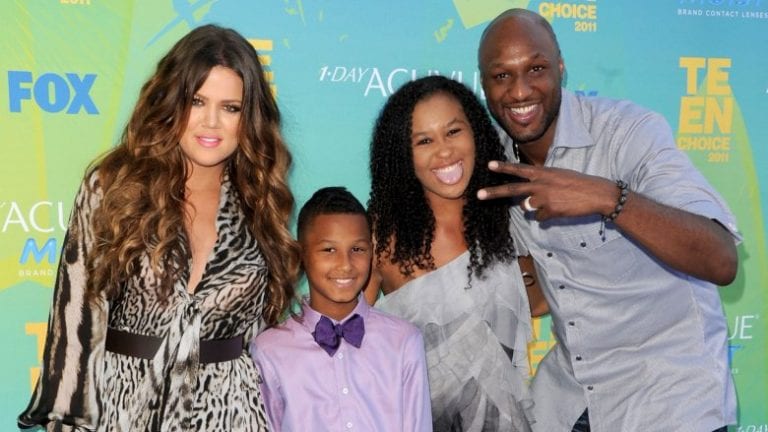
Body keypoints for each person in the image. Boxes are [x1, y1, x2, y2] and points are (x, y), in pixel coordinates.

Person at [18, 24, 299, 431]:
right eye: (197, 101)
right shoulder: (115, 187)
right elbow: (77, 317)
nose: (211, 122)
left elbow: (263, 337)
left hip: (230, 412)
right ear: (172, 102)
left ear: (249, 117)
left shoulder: (260, 202)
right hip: (124, 408)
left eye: (230, 108)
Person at [476, 8, 740, 432]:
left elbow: (721, 260)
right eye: (502, 75)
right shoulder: (496, 166)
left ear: (561, 67)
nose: (520, 90)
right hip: (572, 397)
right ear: (484, 83)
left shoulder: (627, 133)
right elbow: (535, 290)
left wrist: (608, 197)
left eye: (536, 69)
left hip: (668, 399)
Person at [368, 75, 536, 431]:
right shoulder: (381, 238)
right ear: (403, 155)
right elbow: (346, 338)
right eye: (424, 140)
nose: (444, 151)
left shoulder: (509, 220)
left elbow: (554, 297)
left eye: (453, 131)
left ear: (476, 133)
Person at [250, 186, 432, 431]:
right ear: (301, 254)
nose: (345, 265)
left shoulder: (404, 341)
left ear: (371, 254)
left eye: (357, 249)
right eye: (329, 250)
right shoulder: (269, 351)